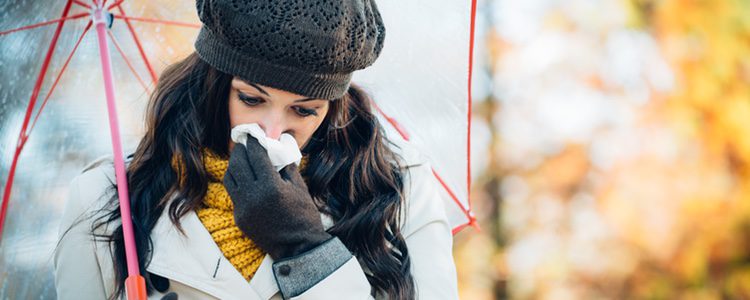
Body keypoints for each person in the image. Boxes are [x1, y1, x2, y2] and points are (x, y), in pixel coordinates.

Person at [53, 0, 458, 299]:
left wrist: (306, 250)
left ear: (332, 107)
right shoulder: (108, 200)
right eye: (250, 99)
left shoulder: (397, 190)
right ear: (213, 84)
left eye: (305, 110)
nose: (272, 129)